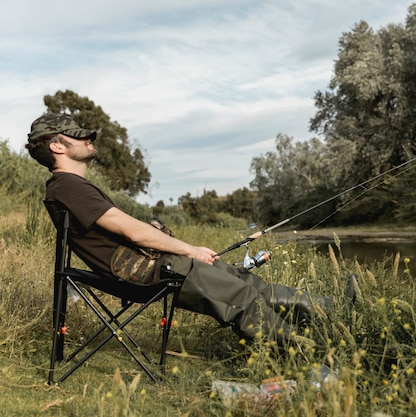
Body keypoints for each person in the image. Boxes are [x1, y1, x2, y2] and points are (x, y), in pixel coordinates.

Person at [26, 112, 356, 345]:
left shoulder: (71, 187)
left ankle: (335, 314)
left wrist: (189, 251)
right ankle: (307, 350)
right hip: (152, 272)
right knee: (241, 298)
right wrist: (189, 249)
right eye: (78, 135)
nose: (88, 138)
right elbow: (132, 231)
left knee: (247, 281)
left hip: (158, 265)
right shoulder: (68, 187)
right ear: (57, 146)